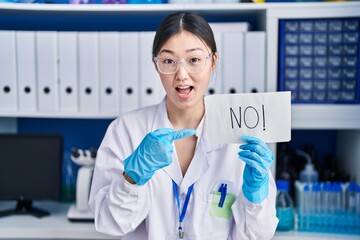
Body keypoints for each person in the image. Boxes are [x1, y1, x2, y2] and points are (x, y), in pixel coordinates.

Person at [89, 11, 278, 240]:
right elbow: (109, 224)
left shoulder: (240, 134)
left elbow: (258, 236)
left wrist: (255, 196)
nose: (182, 75)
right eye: (168, 61)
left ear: (213, 62)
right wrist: (132, 179)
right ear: (156, 65)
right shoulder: (126, 131)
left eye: (194, 60)